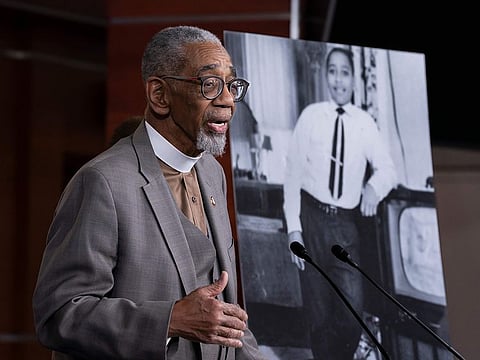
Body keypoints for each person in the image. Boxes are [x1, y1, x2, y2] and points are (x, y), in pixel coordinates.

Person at [32, 25, 266, 360]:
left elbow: (225, 318)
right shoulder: (103, 181)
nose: (228, 100)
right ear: (159, 95)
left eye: (231, 85)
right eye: (210, 84)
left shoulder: (213, 173)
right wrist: (170, 320)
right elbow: (59, 315)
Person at [283, 46, 397, 359]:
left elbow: (388, 169)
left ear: (354, 80)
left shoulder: (365, 123)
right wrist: (294, 230)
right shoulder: (310, 117)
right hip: (312, 220)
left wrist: (373, 188)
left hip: (346, 225)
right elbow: (292, 174)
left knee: (352, 313)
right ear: (325, 75)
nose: (338, 80)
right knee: (318, 318)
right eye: (332, 71)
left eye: (344, 72)